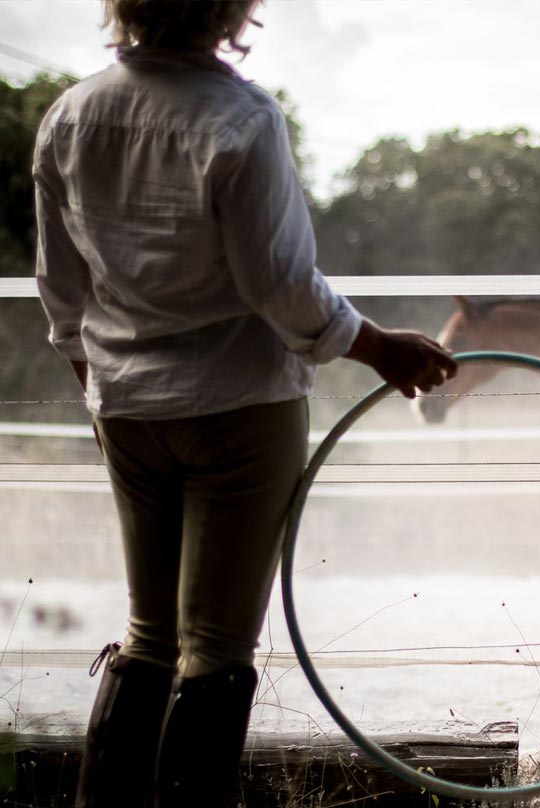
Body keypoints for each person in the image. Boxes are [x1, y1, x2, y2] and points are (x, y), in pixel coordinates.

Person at [32, 2, 458, 806]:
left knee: (150, 636)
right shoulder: (241, 117)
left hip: (125, 406)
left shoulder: (71, 114)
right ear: (230, 9)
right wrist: (379, 348)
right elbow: (282, 286)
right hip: (241, 407)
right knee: (217, 647)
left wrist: (99, 390)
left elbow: (62, 291)